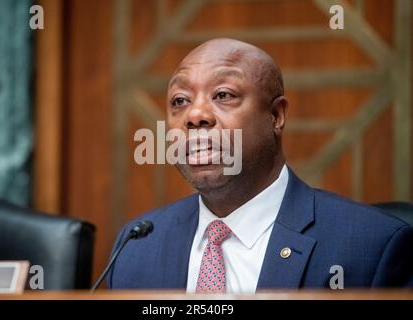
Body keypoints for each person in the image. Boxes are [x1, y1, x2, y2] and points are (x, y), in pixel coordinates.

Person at [108, 38, 413, 292]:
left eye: (223, 95)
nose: (195, 115)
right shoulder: (136, 247)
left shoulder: (373, 248)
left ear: (276, 116)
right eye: (180, 101)